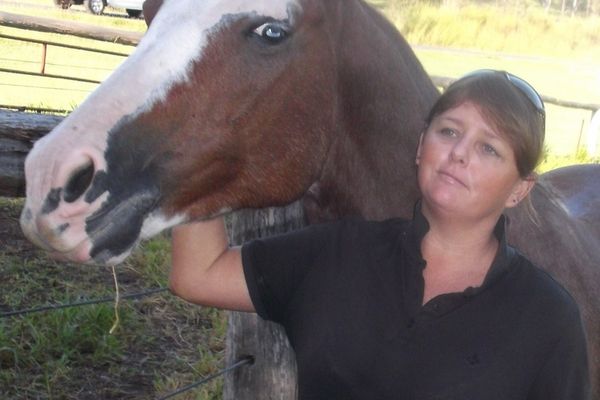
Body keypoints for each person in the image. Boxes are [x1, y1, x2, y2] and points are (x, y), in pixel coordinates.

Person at [169, 70, 590, 399]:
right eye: (449, 131)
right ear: (421, 146)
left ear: (519, 190)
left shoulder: (547, 317)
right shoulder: (339, 252)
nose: (459, 153)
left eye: (489, 148)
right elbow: (198, 274)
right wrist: (194, 137)